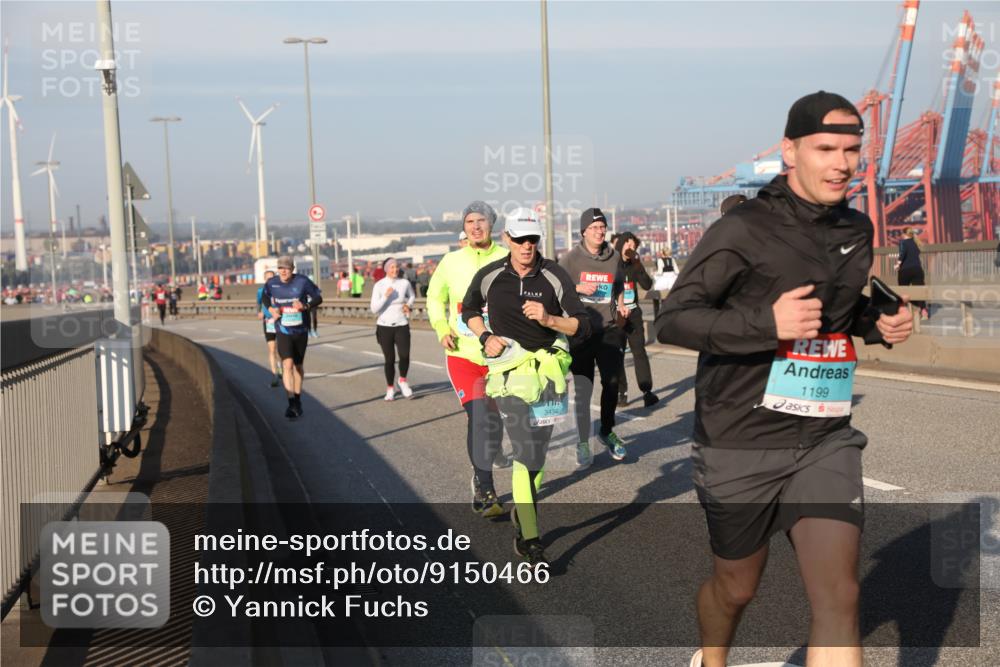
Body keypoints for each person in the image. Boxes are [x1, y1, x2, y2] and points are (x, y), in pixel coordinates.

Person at [655, 91, 914, 667]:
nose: (841, 163)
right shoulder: (744, 228)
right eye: (826, 148)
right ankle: (711, 658)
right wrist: (765, 324)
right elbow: (671, 319)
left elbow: (839, 315)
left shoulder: (856, 227)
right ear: (790, 151)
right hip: (739, 442)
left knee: (840, 599)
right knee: (737, 588)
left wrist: (879, 324)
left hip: (823, 437)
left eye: (852, 149)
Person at [462, 207, 591, 564]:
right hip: (509, 379)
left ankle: (523, 510)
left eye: (532, 239)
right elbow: (468, 309)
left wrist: (550, 319)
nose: (526, 246)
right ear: (507, 239)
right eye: (519, 239)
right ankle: (530, 538)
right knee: (524, 453)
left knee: (538, 458)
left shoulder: (554, 276)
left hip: (548, 376)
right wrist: (485, 335)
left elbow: (582, 325)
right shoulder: (490, 276)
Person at [426, 200, 510, 518]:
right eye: (470, 221)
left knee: (496, 422)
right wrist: (440, 327)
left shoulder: (506, 259)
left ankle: (480, 471)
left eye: (482, 221)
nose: (475, 226)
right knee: (480, 418)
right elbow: (435, 297)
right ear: (464, 227)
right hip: (463, 355)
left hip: (502, 357)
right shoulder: (451, 261)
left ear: (492, 225)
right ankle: (486, 489)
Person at [559, 207, 630, 464]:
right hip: (581, 331)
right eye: (595, 228)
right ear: (583, 232)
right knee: (583, 389)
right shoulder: (571, 259)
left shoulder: (613, 257)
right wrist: (577, 287)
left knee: (611, 382)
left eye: (603, 227)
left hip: (609, 329)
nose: (600, 232)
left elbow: (620, 283)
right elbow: (557, 288)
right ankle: (581, 440)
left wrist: (622, 303)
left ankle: (607, 430)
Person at [262, 256, 323, 420]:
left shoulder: (302, 282)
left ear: (292, 269)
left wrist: (305, 306)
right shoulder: (272, 283)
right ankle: (291, 403)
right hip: (283, 330)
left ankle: (297, 399)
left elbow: (318, 297)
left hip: (301, 331)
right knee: (287, 364)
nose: (283, 271)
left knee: (298, 367)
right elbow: (265, 296)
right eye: (280, 268)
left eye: (286, 268)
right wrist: (270, 309)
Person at [613, 232, 659, 408]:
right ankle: (621, 392)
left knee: (639, 352)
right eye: (627, 244)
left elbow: (647, 285)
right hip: (616, 315)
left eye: (634, 246)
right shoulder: (612, 263)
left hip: (634, 314)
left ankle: (647, 391)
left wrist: (638, 263)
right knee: (617, 356)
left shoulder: (635, 265)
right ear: (621, 245)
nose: (630, 248)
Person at [371, 258, 416, 400]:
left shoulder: (404, 283)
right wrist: (385, 296)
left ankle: (402, 380)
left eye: (396, 267)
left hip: (402, 324)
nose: (395, 270)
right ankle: (390, 388)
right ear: (386, 269)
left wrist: (408, 304)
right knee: (389, 359)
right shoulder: (379, 285)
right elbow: (374, 309)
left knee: (405, 356)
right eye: (391, 267)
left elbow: (412, 295)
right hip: (384, 326)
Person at [895, 227, 928, 319]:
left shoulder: (903, 242)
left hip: (905, 270)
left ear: (904, 234)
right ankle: (924, 311)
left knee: (903, 291)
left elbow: (902, 253)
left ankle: (904, 313)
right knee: (919, 291)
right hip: (917, 269)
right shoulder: (916, 242)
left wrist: (898, 264)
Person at [256, 270, 282, 387]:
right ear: (264, 279)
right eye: (268, 278)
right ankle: (274, 375)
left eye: (272, 278)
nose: (270, 280)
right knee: (272, 349)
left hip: (281, 320)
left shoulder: (280, 289)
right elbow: (258, 303)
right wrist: (259, 312)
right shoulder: (261, 291)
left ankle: (281, 367)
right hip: (268, 321)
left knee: (281, 349)